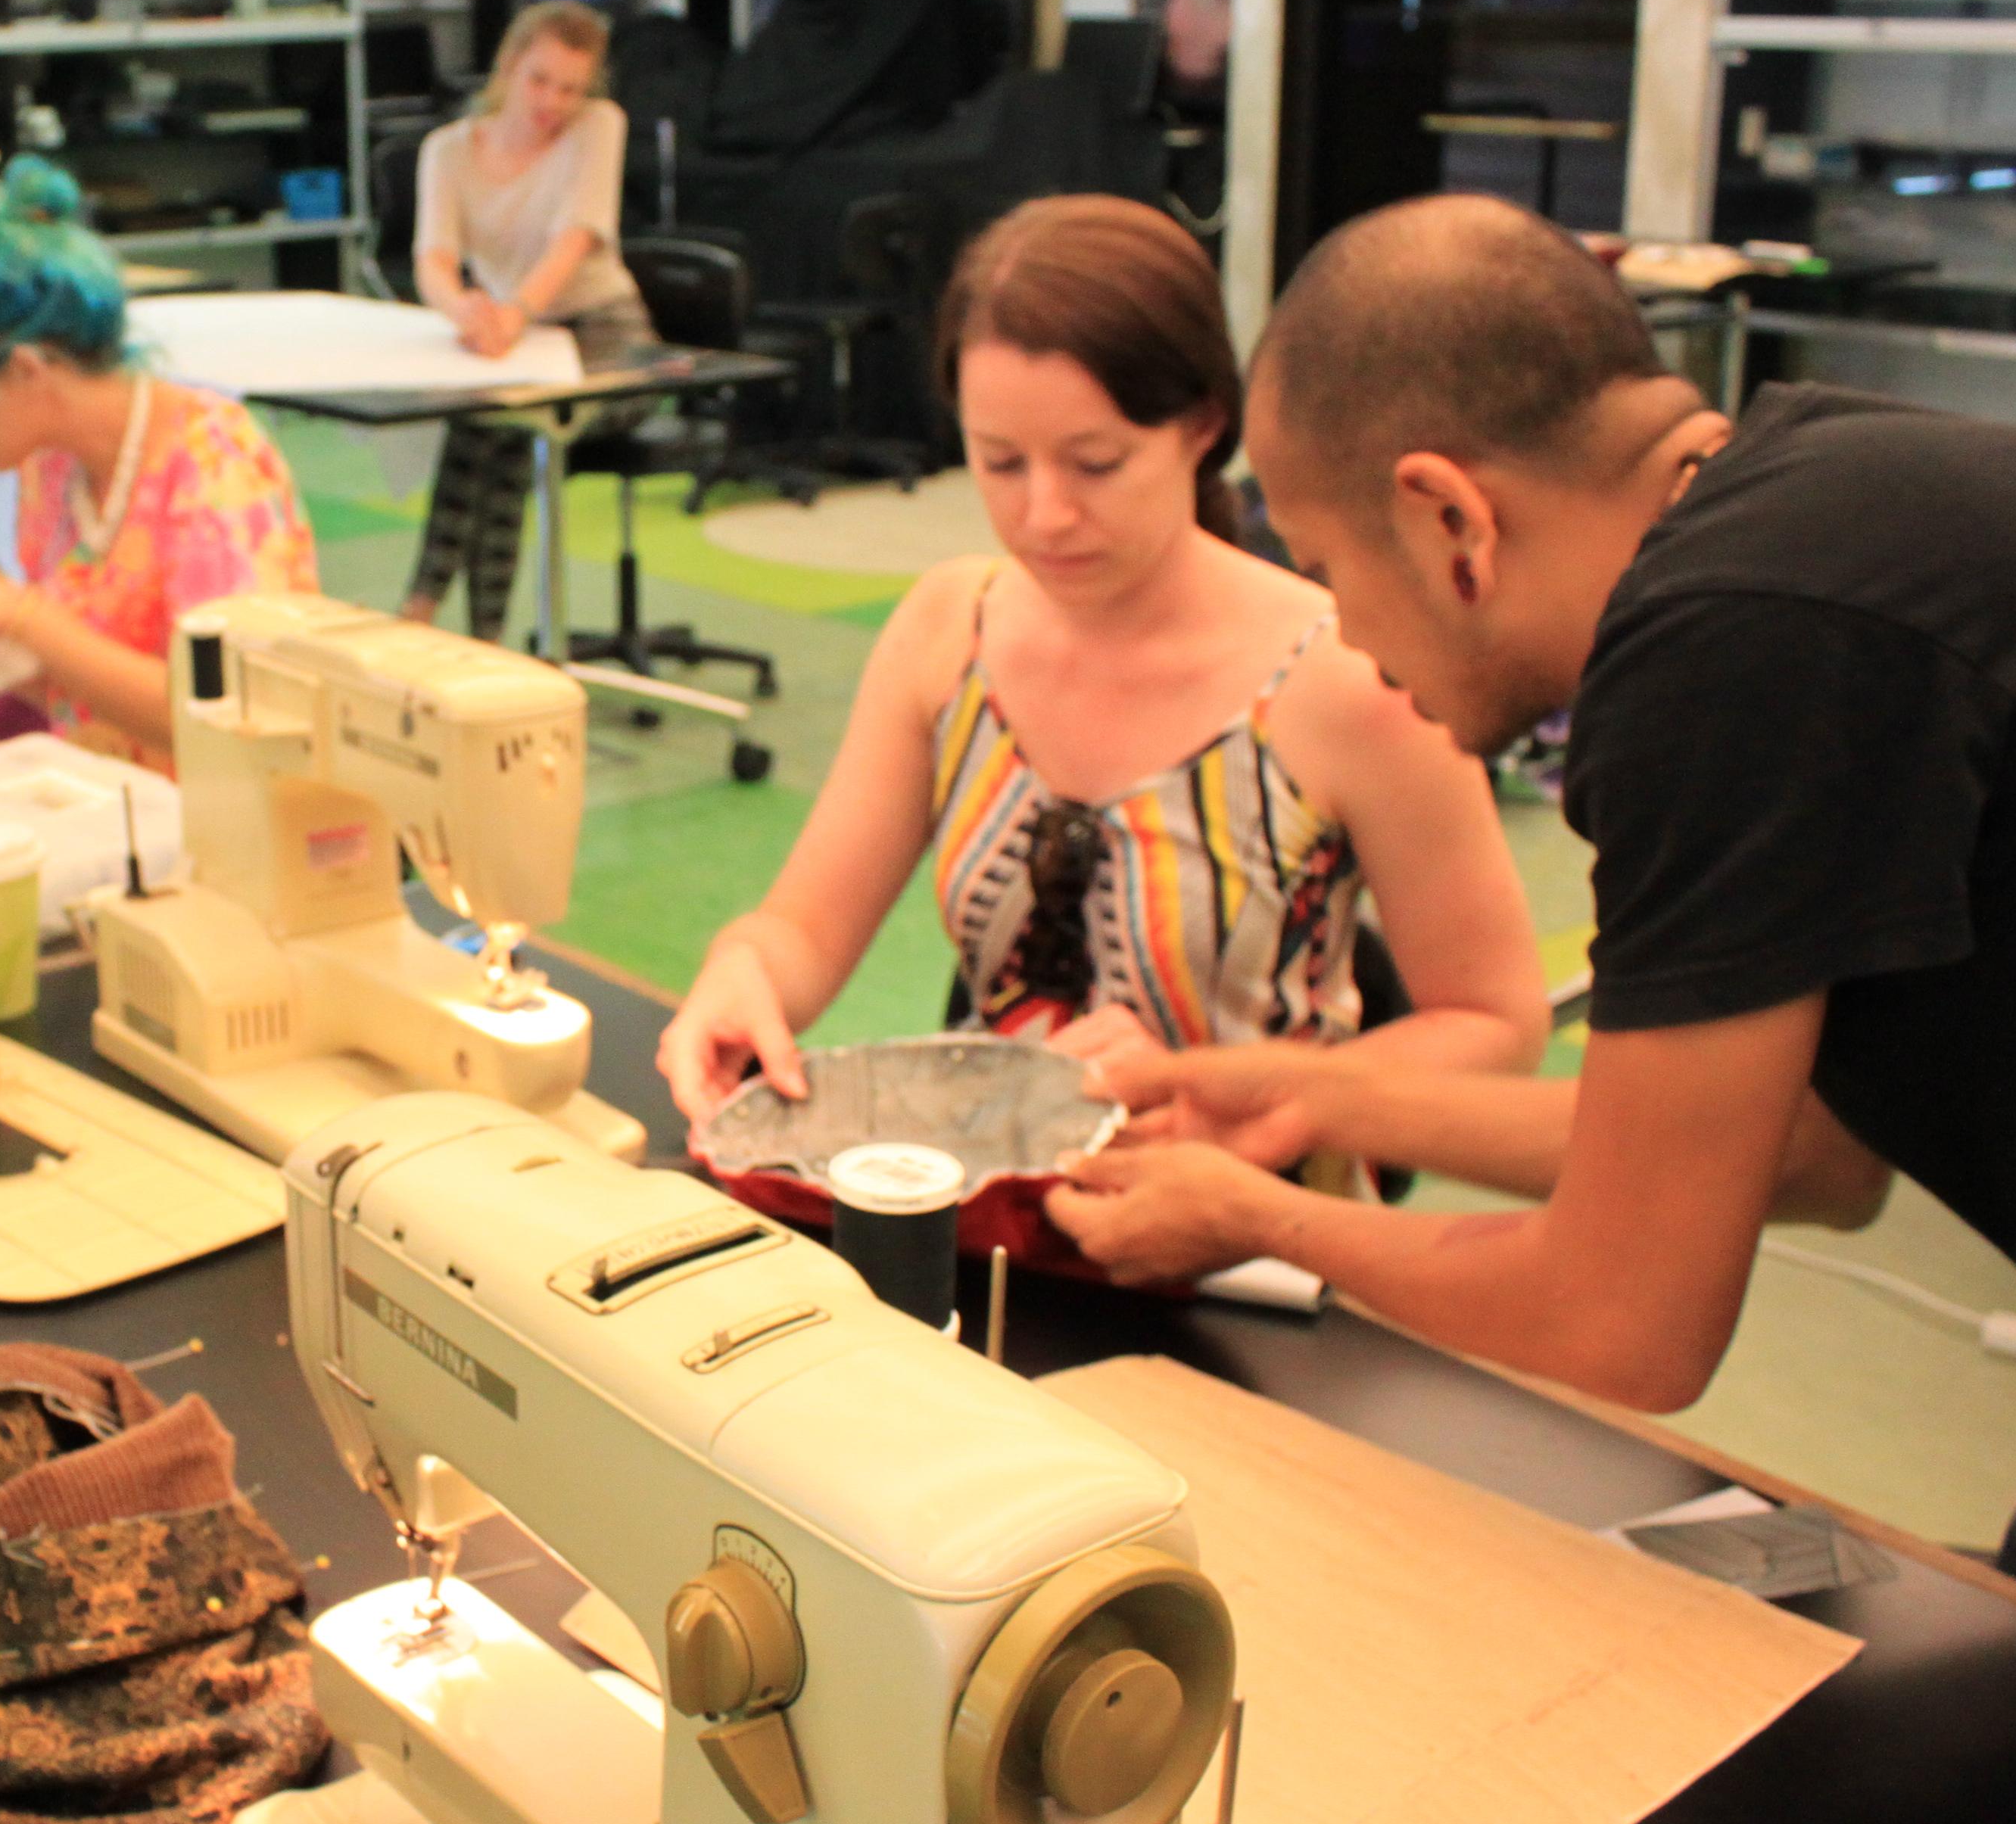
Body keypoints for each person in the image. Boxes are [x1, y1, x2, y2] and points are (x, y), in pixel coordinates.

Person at [1047, 192, 2016, 1690]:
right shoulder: (1823, 510)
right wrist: (1318, 1100)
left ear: (1449, 517)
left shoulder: (1729, 645)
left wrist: (1261, 1221)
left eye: (1330, 568)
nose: (1349, 640)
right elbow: (1807, 1157)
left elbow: (1624, 1316)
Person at [656, 195, 1547, 1147]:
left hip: (1256, 1228)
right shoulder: (948, 631)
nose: (1044, 516)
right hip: (997, 1200)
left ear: (1203, 426)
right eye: (1000, 463)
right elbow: (804, 932)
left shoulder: (1348, 678)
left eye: (1095, 464)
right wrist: (743, 967)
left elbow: (1494, 1024)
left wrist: (1233, 1098)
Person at [0, 158, 319, 770]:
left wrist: (21, 620)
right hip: (117, 803)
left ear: (24, 369)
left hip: (230, 824)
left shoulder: (215, 467)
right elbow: (79, 686)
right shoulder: (52, 468)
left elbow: (222, 719)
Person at [401, 0, 653, 641]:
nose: (554, 102)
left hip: (605, 337)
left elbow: (572, 243)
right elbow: (433, 258)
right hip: (517, 338)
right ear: (509, 68)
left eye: (571, 88)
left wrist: (513, 315)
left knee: (508, 416)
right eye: (540, 80)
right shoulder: (447, 151)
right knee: (494, 417)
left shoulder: (599, 126)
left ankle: (434, 612)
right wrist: (464, 309)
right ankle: (471, 630)